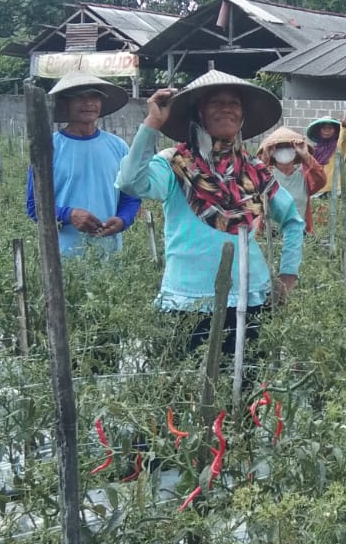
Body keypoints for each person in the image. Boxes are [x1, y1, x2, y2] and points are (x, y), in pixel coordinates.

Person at [115, 70, 304, 364]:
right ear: (199, 113)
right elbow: (130, 182)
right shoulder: (174, 164)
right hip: (188, 302)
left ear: (242, 116)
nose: (226, 108)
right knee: (185, 393)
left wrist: (288, 274)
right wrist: (152, 123)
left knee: (247, 394)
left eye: (234, 103)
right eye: (216, 102)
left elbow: (293, 220)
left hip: (251, 297)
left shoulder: (255, 171)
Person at [26, 73, 140, 256]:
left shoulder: (119, 147)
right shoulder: (47, 148)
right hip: (61, 259)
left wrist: (122, 219)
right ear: (64, 104)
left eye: (94, 96)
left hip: (110, 257)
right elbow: (34, 206)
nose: (89, 103)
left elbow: (131, 196)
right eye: (80, 97)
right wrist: (69, 215)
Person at [258, 126, 328, 233]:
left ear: (295, 151)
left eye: (288, 146)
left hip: (299, 233)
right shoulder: (267, 175)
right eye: (279, 147)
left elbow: (321, 180)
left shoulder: (303, 176)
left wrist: (306, 156)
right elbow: (252, 187)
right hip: (272, 236)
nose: (284, 150)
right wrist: (265, 159)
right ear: (273, 152)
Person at [306, 116, 346, 197]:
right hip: (318, 191)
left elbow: (344, 139)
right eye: (324, 128)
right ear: (319, 131)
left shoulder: (338, 147)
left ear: (335, 131)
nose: (327, 131)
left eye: (330, 128)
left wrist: (345, 128)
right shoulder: (315, 150)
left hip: (335, 191)